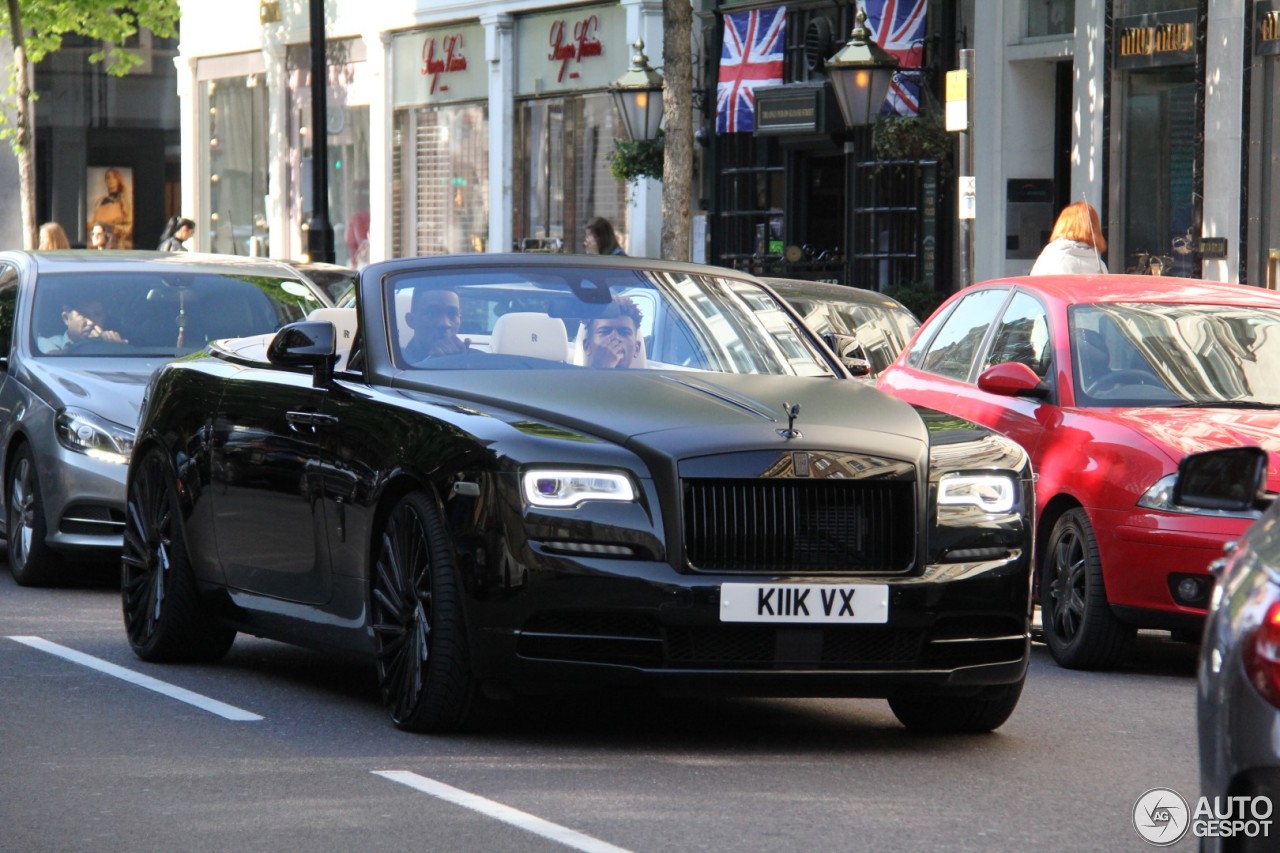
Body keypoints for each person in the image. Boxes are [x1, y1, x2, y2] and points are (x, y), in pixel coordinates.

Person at [1030, 201, 1108, 275]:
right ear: (1095, 228)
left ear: (1062, 224)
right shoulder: (1100, 267)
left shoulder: (1050, 257)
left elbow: (1031, 287)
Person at [37, 295, 129, 353]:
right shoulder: (47, 343)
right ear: (66, 318)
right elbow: (55, 363)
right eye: (84, 314)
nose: (91, 322)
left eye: (97, 314)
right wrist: (94, 343)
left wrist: (117, 349)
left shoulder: (111, 343)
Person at [402, 287, 470, 362]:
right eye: (432, 313)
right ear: (411, 320)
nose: (445, 324)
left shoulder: (473, 361)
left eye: (452, 314)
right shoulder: (397, 362)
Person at [582, 295, 643, 369]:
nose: (615, 338)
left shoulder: (651, 380)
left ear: (637, 348)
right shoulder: (571, 380)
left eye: (624, 333)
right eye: (605, 332)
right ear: (587, 347)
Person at [87, 167, 133, 249]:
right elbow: (94, 223)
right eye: (108, 178)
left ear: (118, 180)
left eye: (113, 177)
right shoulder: (101, 202)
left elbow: (128, 225)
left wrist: (113, 228)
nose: (111, 180)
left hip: (118, 245)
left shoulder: (124, 201)